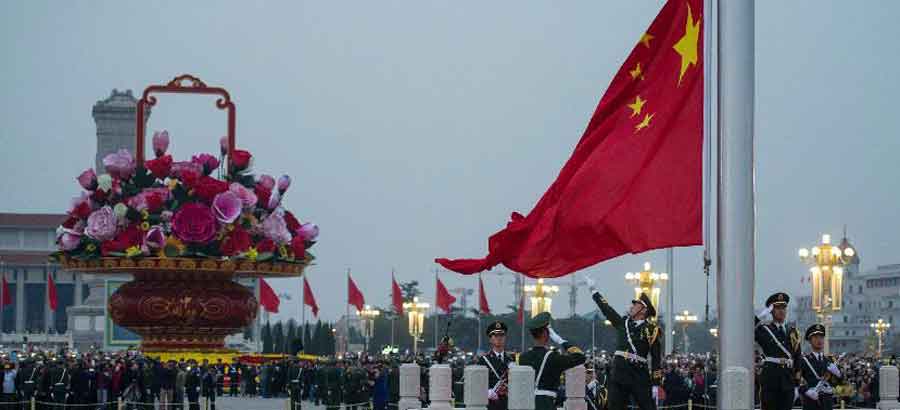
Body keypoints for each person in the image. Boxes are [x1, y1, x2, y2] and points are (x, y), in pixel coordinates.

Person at [591, 290, 662, 410]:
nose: (632, 307)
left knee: (648, 407)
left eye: (636, 305)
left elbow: (656, 358)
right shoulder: (623, 323)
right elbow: (607, 310)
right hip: (620, 371)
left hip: (639, 374)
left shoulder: (651, 330)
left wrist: (656, 383)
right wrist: (594, 292)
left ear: (643, 310)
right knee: (614, 406)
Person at [518, 312, 586, 410]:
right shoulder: (553, 357)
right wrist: (560, 340)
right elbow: (580, 357)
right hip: (546, 404)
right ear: (546, 333)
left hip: (527, 403)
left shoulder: (523, 357)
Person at [755, 292, 801, 410]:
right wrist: (760, 316)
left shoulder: (792, 332)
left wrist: (796, 384)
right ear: (771, 311)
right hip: (771, 378)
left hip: (788, 380)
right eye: (777, 308)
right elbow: (747, 327)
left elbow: (797, 358)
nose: (781, 311)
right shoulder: (765, 330)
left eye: (783, 307)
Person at [799, 324, 843, 410]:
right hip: (811, 402)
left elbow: (840, 383)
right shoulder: (804, 360)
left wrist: (839, 374)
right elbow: (795, 381)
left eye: (821, 337)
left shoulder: (830, 360)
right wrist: (806, 391)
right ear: (810, 341)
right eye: (815, 337)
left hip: (827, 402)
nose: (819, 340)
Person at [481, 321, 513, 410]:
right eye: (495, 335)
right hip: (491, 404)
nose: (499, 338)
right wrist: (487, 392)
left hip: (509, 404)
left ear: (505, 337)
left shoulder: (512, 360)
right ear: (490, 339)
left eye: (502, 335)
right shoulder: (483, 360)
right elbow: (477, 385)